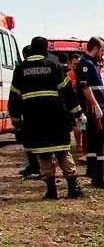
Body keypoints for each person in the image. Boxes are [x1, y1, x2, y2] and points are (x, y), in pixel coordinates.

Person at [8, 36, 86, 199]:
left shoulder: (20, 69)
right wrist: (77, 113)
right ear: (45, 49)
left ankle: (51, 191)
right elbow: (67, 93)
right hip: (56, 119)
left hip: (33, 121)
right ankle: (73, 188)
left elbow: (14, 98)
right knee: (63, 152)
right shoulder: (54, 66)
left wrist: (17, 121)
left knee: (43, 155)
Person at [75, 36, 104, 191]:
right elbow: (85, 88)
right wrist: (96, 106)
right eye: (103, 49)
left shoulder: (92, 63)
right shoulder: (86, 64)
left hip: (98, 108)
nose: (103, 52)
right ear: (96, 48)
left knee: (94, 143)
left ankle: (95, 174)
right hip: (96, 110)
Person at [16, 44, 41, 179]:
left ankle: (36, 166)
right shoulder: (46, 67)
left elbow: (16, 93)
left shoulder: (22, 69)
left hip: (28, 112)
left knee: (30, 141)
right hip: (41, 111)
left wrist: (15, 115)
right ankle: (35, 165)